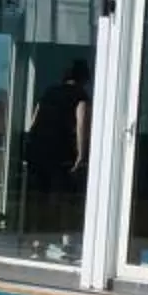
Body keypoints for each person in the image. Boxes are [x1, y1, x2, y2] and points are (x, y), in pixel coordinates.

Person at [20, 59, 91, 256]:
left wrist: (29, 147)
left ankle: (37, 244)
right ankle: (66, 243)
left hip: (38, 149)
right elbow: (81, 125)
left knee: (39, 198)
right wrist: (81, 154)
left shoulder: (49, 92)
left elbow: (33, 120)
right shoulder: (80, 95)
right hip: (60, 151)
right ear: (84, 78)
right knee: (63, 197)